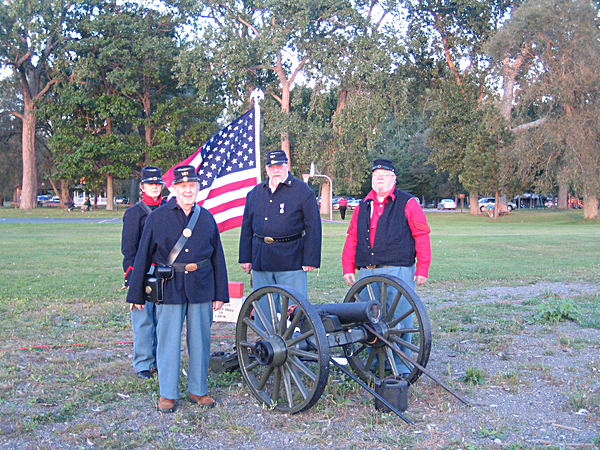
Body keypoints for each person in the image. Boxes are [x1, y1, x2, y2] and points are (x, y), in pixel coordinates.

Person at [126, 165, 229, 413]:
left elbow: (218, 257)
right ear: (174, 190)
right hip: (169, 287)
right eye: (182, 187)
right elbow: (141, 256)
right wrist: (136, 292)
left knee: (201, 340)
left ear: (197, 189)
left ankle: (198, 389)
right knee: (168, 341)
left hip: (202, 286)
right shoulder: (157, 217)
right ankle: (168, 393)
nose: (187, 191)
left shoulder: (206, 218)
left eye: (191, 187)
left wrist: (220, 293)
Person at [341, 158, 431, 378]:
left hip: (397, 269)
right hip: (367, 271)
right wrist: (348, 266)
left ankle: (400, 366)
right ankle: (375, 362)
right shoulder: (362, 206)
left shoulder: (408, 203)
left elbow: (422, 235)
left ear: (394, 178)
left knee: (398, 318)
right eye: (376, 175)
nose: (379, 178)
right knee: (370, 318)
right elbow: (352, 236)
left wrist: (422, 268)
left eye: (384, 175)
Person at [239, 150, 322, 319]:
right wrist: (245, 258)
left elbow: (313, 227)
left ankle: (297, 342)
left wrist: (310, 259)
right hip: (262, 259)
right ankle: (267, 343)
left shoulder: (303, 191)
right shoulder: (254, 193)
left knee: (294, 308)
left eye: (279, 166)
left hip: (291, 258)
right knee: (263, 306)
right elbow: (247, 227)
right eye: (272, 167)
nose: (275, 170)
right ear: (266, 169)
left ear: (286, 166)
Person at [121, 166, 166, 379]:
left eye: (157, 184)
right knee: (143, 320)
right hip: (144, 271)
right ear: (142, 187)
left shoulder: (169, 209)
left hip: (166, 271)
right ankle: (143, 363)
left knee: (164, 320)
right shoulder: (133, 213)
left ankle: (160, 360)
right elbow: (129, 251)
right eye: (150, 184)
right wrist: (132, 278)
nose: (154, 187)